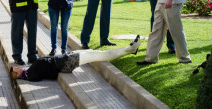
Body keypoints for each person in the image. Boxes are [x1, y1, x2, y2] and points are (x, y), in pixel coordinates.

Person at [10, 35, 141, 81]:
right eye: (16, 69)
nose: (17, 67)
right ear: (17, 74)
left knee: (93, 52)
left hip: (64, 59)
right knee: (101, 55)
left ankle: (130, 49)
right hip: (66, 62)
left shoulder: (29, 71)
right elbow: (39, 77)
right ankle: (131, 49)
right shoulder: (31, 74)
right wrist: (26, 77)